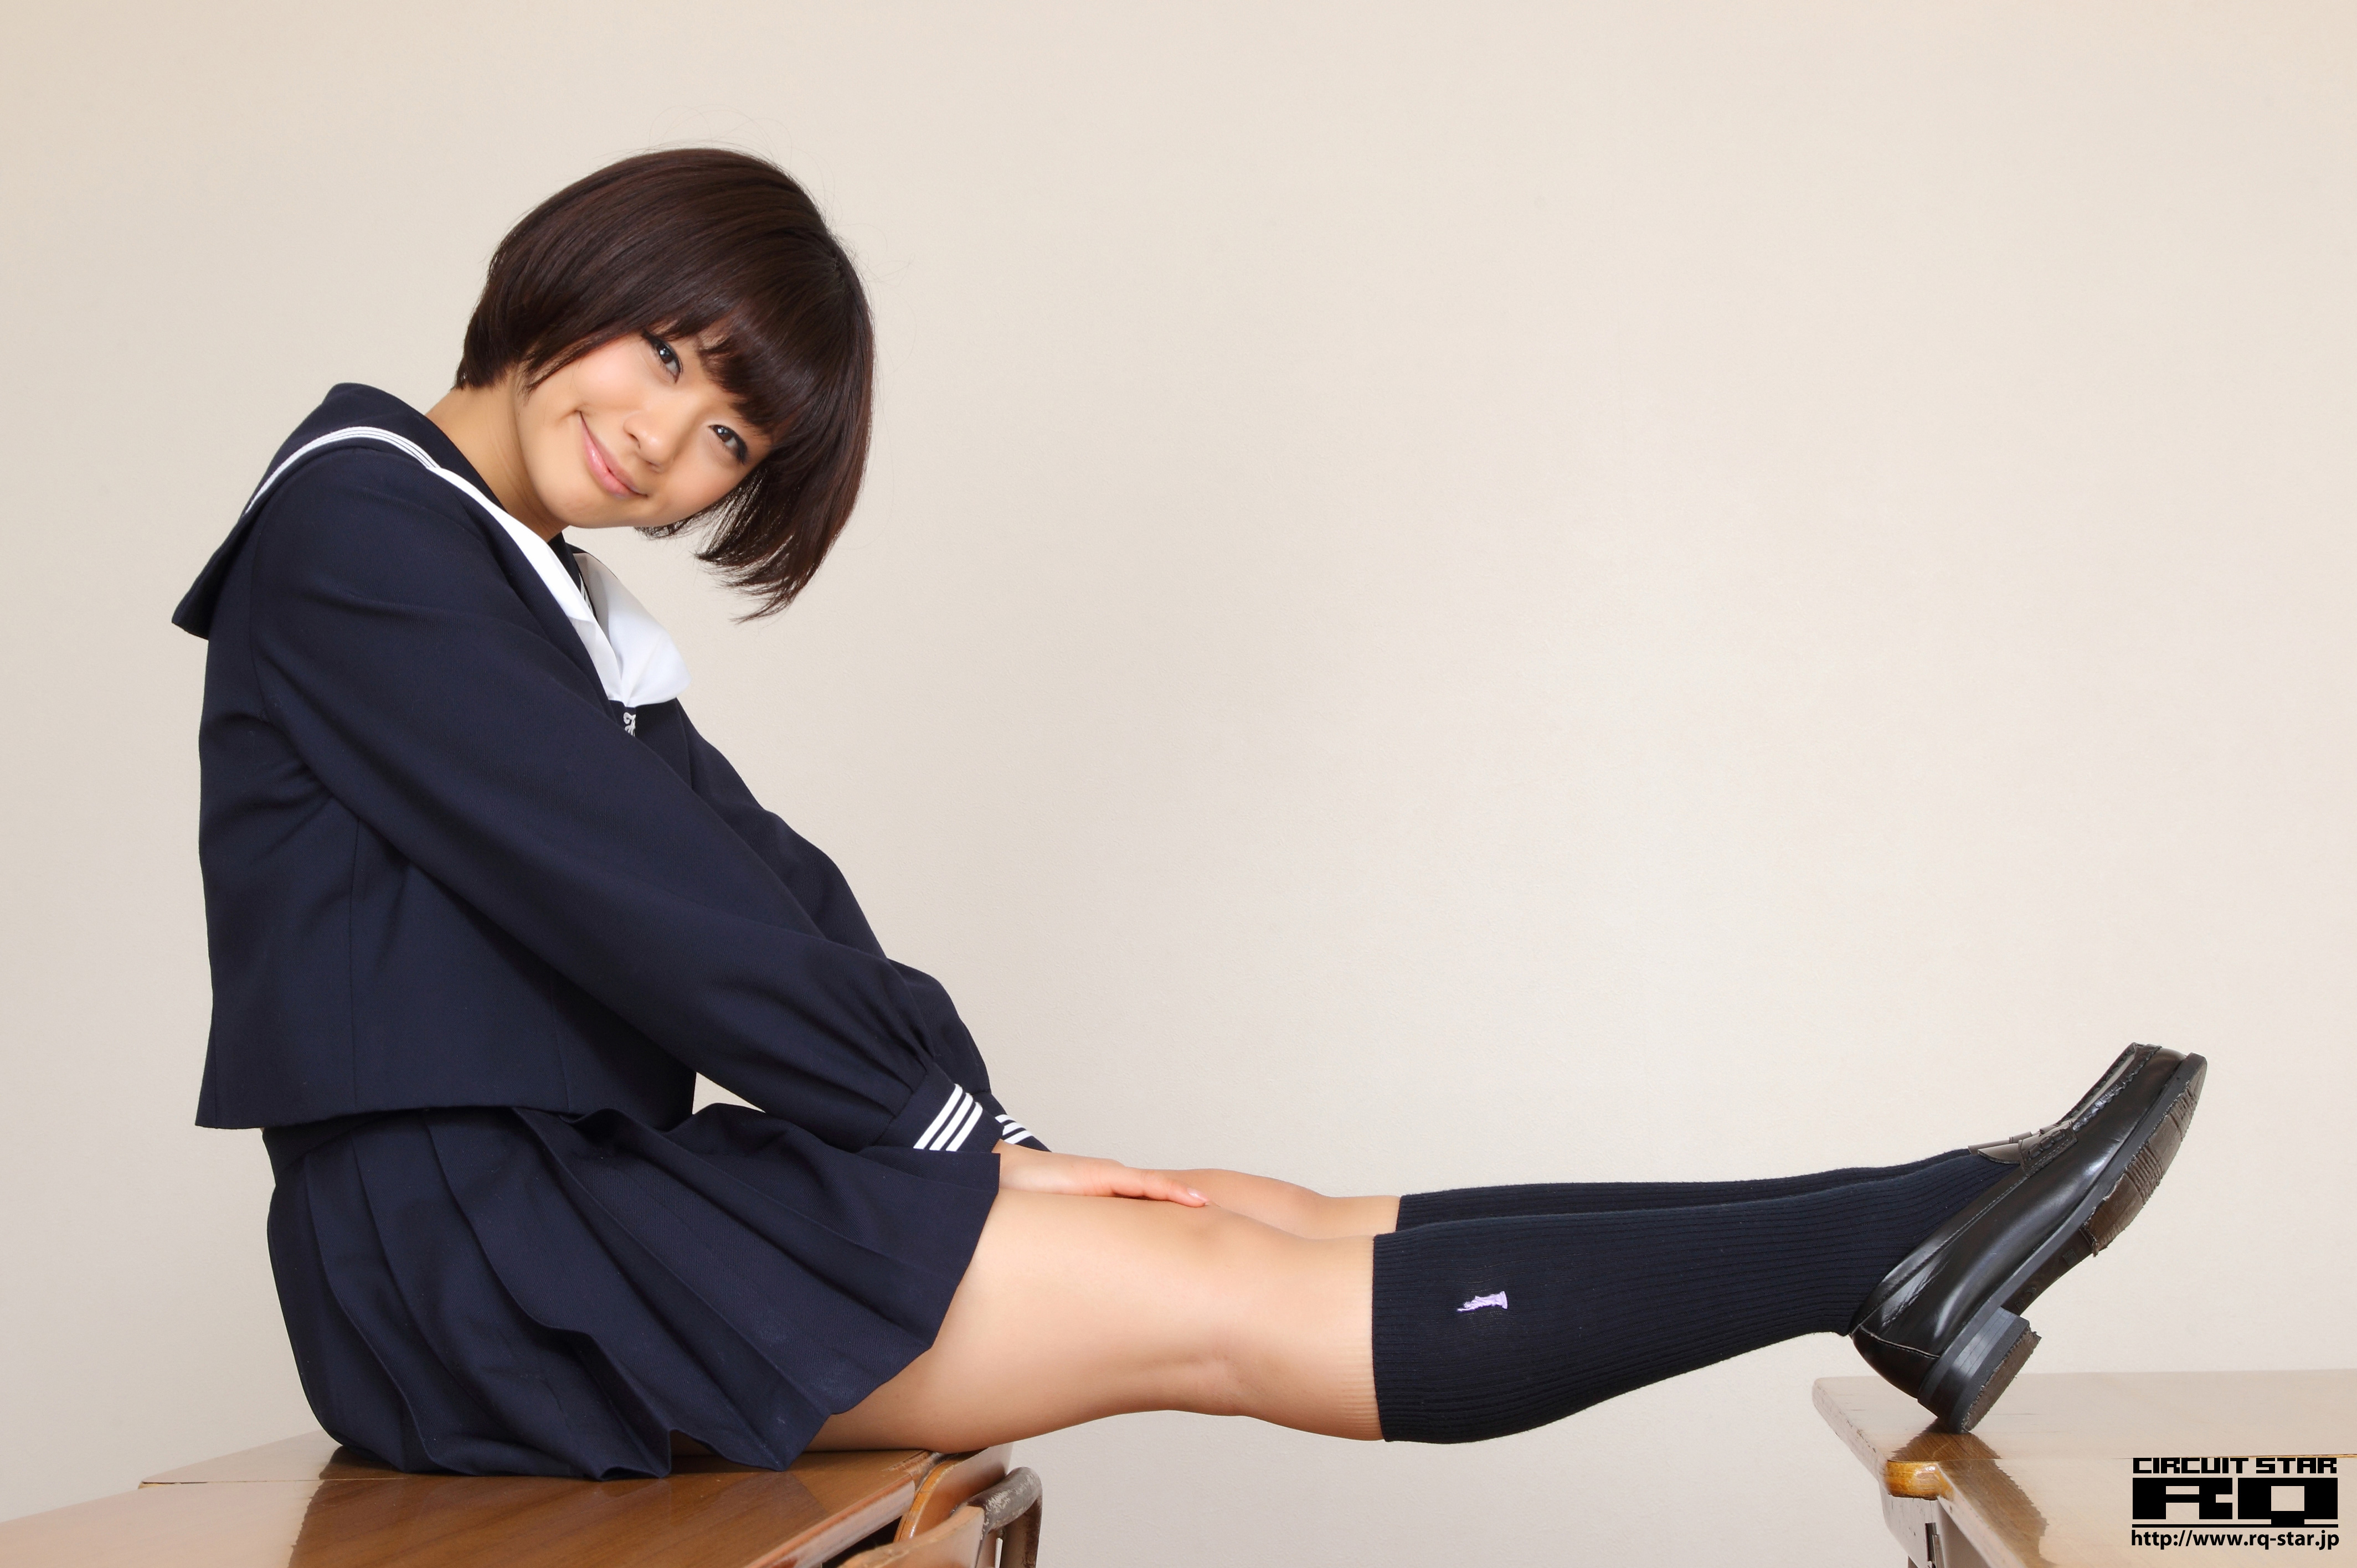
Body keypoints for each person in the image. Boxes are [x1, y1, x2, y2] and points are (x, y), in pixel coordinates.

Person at [173, 147, 2206, 1480]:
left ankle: (1915, 1208)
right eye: (668, 355)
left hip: (561, 1202)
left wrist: (982, 1129)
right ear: (575, 270)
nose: (662, 438)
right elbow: (642, 910)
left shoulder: (511, 570)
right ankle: (1899, 1241)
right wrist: (945, 1142)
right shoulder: (362, 530)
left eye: (725, 435)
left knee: (1247, 1211)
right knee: (1231, 1305)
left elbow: (761, 882)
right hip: (470, 1266)